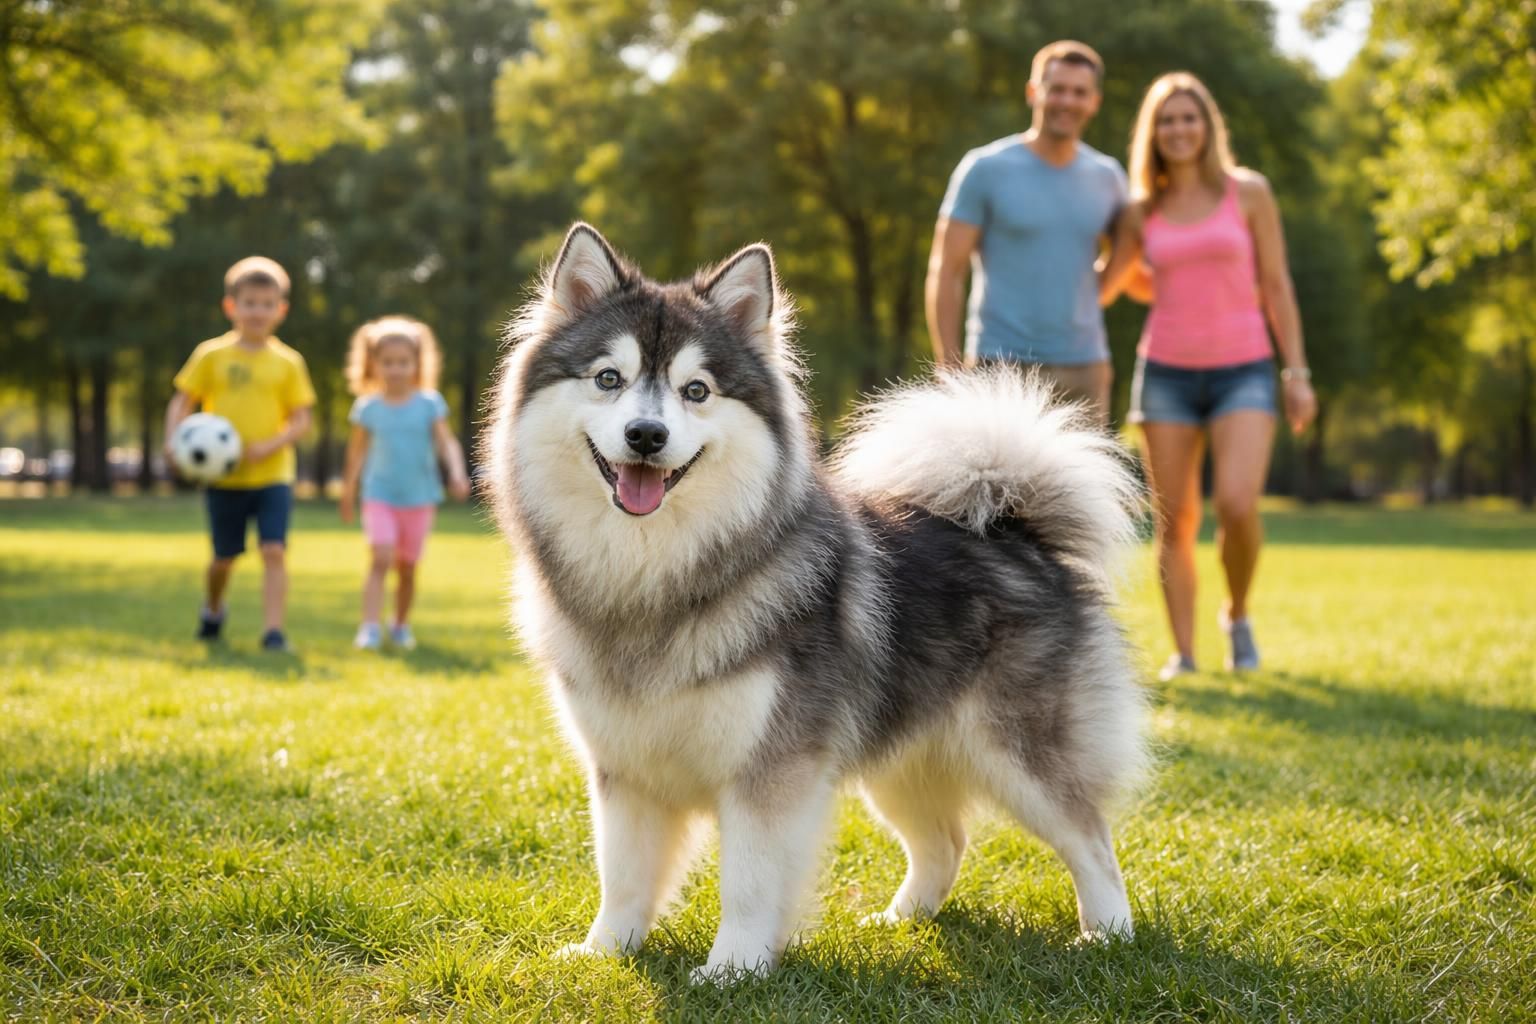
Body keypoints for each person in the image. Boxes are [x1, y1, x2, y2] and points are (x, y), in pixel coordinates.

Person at [1100, 72, 1318, 680]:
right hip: (1166, 371)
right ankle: (1185, 654)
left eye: (1188, 118)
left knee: (1237, 502)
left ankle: (1238, 613)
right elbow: (1111, 284)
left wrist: (1296, 370)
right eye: (1166, 120)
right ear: (1153, 132)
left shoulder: (1249, 194)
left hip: (1243, 368)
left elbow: (1276, 284)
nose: (1178, 129)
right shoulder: (1142, 211)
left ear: (1208, 125)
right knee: (1176, 522)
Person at [926, 39, 1128, 422]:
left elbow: (1127, 256)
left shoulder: (1109, 177)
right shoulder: (984, 169)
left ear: (1094, 101)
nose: (1067, 101)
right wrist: (948, 366)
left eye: (1079, 92)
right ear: (1034, 92)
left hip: (1085, 371)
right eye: (1057, 89)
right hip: (999, 368)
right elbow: (946, 270)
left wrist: (1089, 294)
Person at [165, 257, 316, 653]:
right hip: (223, 479)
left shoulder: (288, 362)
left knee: (274, 550)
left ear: (281, 310)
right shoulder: (211, 355)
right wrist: (171, 440)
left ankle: (274, 632)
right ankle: (213, 609)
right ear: (231, 306)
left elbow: (302, 420)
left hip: (273, 475)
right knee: (223, 558)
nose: (258, 312)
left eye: (267, 304)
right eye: (249, 302)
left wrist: (271, 444)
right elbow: (183, 402)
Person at [339, 316, 470, 650]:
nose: (395, 369)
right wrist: (348, 491)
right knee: (380, 557)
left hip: (419, 498)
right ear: (373, 364)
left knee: (407, 567)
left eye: (403, 362)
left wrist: (456, 472)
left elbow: (447, 443)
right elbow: (356, 455)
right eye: (387, 363)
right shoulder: (367, 408)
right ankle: (369, 626)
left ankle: (399, 624)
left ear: (416, 364)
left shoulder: (429, 404)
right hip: (379, 494)